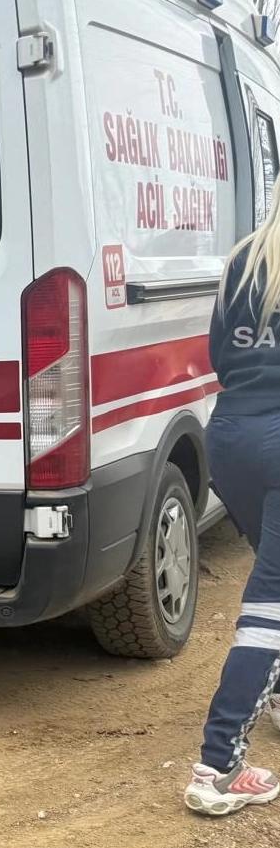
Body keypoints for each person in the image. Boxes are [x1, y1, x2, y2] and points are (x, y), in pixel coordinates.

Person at [187, 197, 280, 816]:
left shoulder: (245, 258)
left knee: (273, 579)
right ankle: (219, 767)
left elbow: (221, 353)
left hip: (231, 436)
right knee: (271, 603)